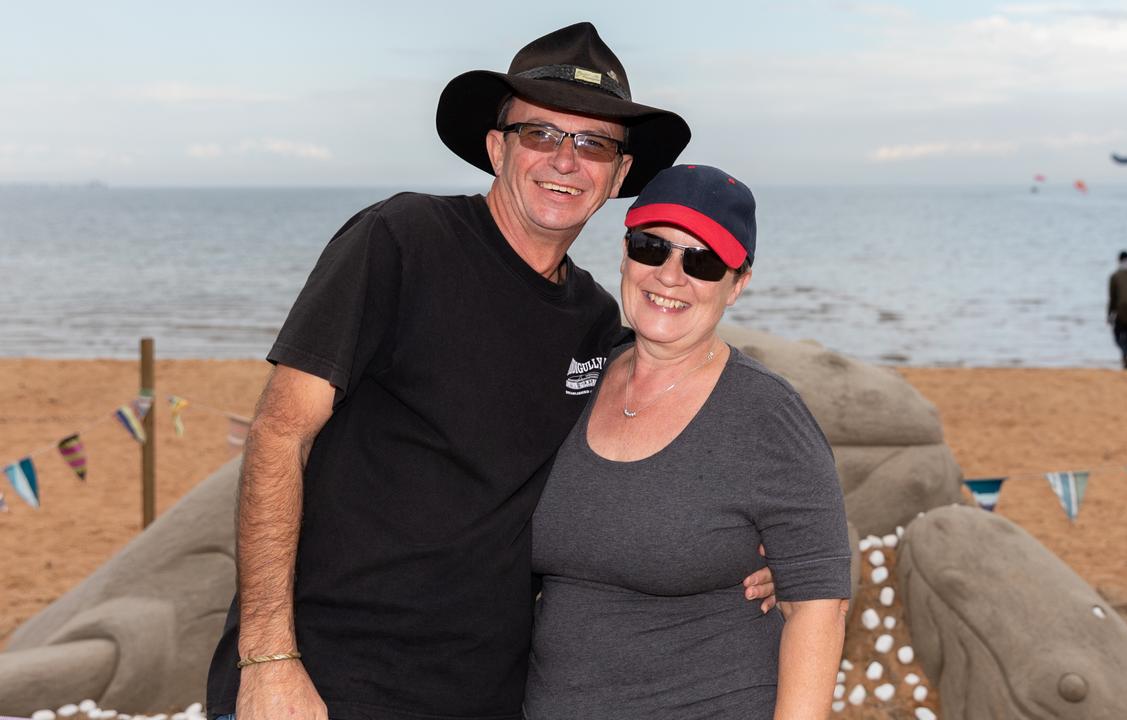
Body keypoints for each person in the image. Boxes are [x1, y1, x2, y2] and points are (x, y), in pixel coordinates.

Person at [205, 23, 777, 720]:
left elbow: (674, 421)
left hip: (487, 694)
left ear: (620, 175)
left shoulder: (596, 323)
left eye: (593, 143)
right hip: (324, 678)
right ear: (496, 146)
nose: (566, 161)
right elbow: (277, 435)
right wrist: (267, 658)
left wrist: (767, 541)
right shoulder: (401, 241)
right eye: (541, 134)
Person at [525, 165, 851, 718]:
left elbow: (819, 606)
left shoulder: (766, 414)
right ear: (625, 254)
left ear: (738, 282)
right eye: (652, 247)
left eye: (701, 260)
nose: (670, 276)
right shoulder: (575, 379)